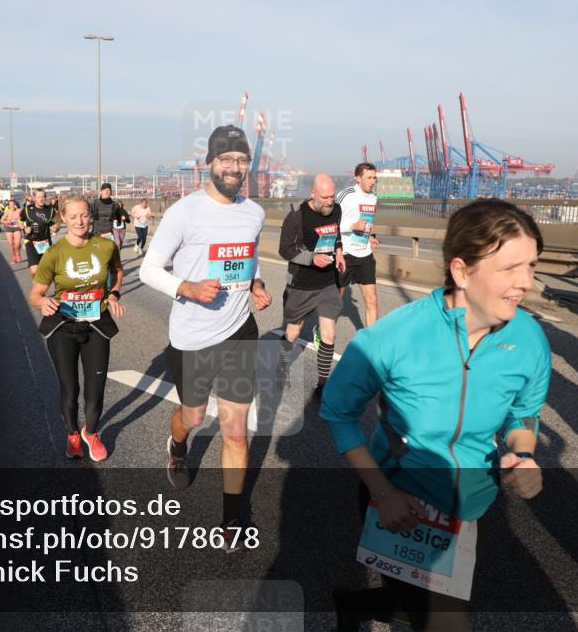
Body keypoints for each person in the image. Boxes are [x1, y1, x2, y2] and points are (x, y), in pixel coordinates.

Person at [322, 199, 550, 630]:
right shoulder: (394, 336)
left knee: (418, 602)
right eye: (509, 268)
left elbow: (523, 413)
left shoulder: (530, 339)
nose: (525, 283)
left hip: (472, 500)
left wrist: (523, 452)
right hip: (400, 494)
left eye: (531, 266)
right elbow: (338, 412)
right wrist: (381, 492)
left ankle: (355, 605)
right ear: (461, 271)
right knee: (445, 621)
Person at [140, 125, 272, 549]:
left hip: (239, 331)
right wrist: (188, 288)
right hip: (193, 336)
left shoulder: (254, 213)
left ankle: (231, 518)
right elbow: (148, 270)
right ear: (209, 164)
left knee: (235, 430)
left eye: (241, 161)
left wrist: (255, 284)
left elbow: (247, 260)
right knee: (194, 417)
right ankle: (178, 443)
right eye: (227, 160)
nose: (234, 168)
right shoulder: (185, 212)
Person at [29, 194, 124, 461]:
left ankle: (91, 432)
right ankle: (72, 433)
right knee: (70, 389)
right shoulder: (54, 254)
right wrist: (43, 302)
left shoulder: (105, 246)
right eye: (73, 216)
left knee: (96, 389)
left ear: (90, 215)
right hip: (63, 328)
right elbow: (35, 293)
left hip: (96, 325)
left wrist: (114, 293)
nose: (80, 221)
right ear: (63, 218)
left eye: (84, 215)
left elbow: (117, 271)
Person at [276, 173, 346, 399]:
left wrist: (338, 252)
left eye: (332, 196)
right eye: (324, 197)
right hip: (301, 284)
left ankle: (322, 385)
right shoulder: (296, 217)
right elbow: (285, 249)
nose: (330, 201)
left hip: (327, 283)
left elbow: (336, 234)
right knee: (293, 332)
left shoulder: (336, 209)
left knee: (329, 335)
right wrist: (311, 258)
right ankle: (282, 364)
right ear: (312, 194)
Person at [336, 162, 381, 329]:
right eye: (369, 178)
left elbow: (367, 222)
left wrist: (368, 237)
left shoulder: (374, 198)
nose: (372, 181)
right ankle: (322, 328)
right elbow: (330, 223)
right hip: (345, 254)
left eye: (374, 178)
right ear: (358, 179)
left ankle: (371, 341)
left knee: (372, 300)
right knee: (337, 301)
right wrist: (352, 227)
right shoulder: (346, 195)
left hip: (365, 255)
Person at [21, 189, 60, 277]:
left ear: (45, 197)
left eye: (43, 197)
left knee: (47, 272)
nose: (41, 199)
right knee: (34, 271)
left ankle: (41, 288)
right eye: (39, 197)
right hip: (31, 242)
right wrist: (24, 228)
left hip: (45, 242)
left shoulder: (50, 210)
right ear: (34, 198)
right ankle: (37, 287)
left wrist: (56, 228)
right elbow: (20, 221)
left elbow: (57, 223)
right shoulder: (27, 209)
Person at [0, 199, 23, 263]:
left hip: (17, 228)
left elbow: (24, 218)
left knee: (17, 244)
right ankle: (14, 256)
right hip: (9, 228)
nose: (12, 206)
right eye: (10, 205)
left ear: (15, 205)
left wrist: (20, 220)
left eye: (13, 204)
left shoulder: (19, 211)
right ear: (9, 206)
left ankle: (18, 254)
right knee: (11, 244)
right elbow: (1, 220)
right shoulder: (7, 211)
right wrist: (7, 221)